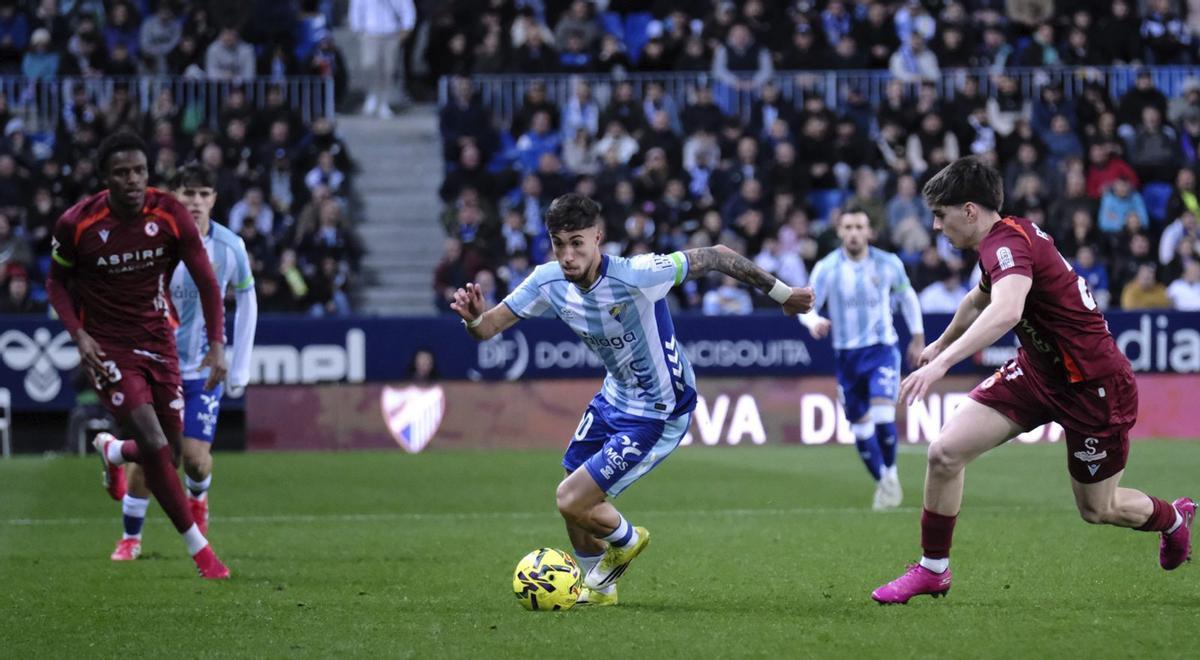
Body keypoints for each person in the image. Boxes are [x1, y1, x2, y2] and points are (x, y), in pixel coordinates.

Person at [450, 193, 813, 606]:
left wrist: (783, 294)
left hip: (660, 410)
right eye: (559, 243)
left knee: (570, 498)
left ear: (598, 238)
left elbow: (716, 255)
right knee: (573, 487)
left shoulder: (638, 274)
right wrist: (474, 318)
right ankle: (600, 587)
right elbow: (488, 328)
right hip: (614, 397)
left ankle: (626, 540)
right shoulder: (547, 282)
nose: (567, 255)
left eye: (577, 243)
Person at [871, 156, 1194, 605]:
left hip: (1093, 387)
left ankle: (1173, 520)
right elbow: (976, 300)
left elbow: (1006, 311)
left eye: (940, 216)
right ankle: (933, 569)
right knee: (944, 453)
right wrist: (941, 344)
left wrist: (940, 366)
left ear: (969, 211)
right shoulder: (1001, 242)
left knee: (1098, 509)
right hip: (1037, 374)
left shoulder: (1008, 245)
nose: (937, 228)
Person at [44, 131, 232, 579]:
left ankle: (112, 452)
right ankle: (201, 553)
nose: (132, 180)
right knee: (153, 442)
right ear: (105, 178)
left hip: (159, 339)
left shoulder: (169, 213)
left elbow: (207, 280)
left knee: (164, 456)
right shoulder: (77, 223)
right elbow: (55, 283)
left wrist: (218, 345)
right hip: (108, 347)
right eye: (122, 173)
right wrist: (80, 337)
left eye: (139, 171)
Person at [110, 164, 258, 562]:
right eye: (188, 194)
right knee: (155, 453)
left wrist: (239, 363)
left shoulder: (230, 247)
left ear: (214, 198)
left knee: (193, 459)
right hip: (154, 367)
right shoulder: (150, 241)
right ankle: (130, 537)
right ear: (173, 196)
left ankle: (197, 493)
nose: (195, 202)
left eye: (203, 194)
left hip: (201, 369)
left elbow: (247, 299)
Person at [800, 210, 925, 511]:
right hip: (846, 356)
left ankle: (892, 474)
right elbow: (806, 306)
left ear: (869, 231)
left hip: (882, 349)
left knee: (883, 414)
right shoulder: (827, 268)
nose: (854, 233)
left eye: (859, 227)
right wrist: (813, 322)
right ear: (840, 231)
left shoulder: (888, 263)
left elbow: (907, 297)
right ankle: (884, 481)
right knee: (859, 428)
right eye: (848, 227)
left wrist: (918, 335)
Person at [349, 0, 416, 118]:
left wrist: (407, 27)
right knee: (369, 64)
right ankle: (372, 95)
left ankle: (384, 102)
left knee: (388, 69)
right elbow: (356, 8)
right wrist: (357, 28)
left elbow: (407, 8)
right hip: (369, 32)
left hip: (391, 33)